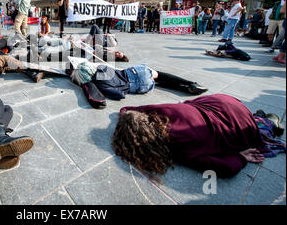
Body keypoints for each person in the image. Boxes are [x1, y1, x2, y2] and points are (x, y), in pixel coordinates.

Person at [113, 94, 285, 180]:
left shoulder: (178, 147)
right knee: (191, 105)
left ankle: (268, 122)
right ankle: (259, 117)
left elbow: (225, 168)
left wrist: (240, 157)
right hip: (222, 100)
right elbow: (128, 109)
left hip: (239, 122)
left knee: (257, 130)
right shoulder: (158, 111)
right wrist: (125, 120)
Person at [71, 62, 208, 100]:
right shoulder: (101, 68)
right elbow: (114, 72)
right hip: (134, 72)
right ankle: (190, 83)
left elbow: (119, 95)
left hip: (139, 86)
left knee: (157, 82)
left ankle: (184, 88)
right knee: (160, 75)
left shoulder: (100, 85)